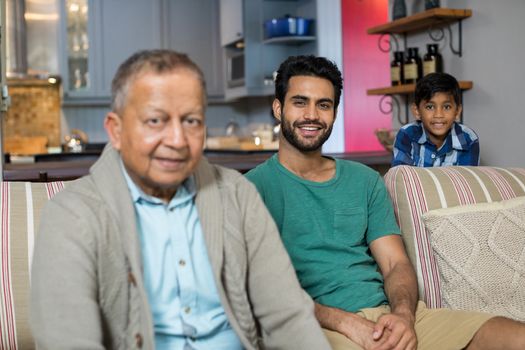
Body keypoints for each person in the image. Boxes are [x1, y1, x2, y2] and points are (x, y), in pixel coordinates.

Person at [30, 50, 331, 350]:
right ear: (116, 130)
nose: (176, 140)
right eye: (155, 120)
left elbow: (289, 317)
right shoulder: (71, 214)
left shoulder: (237, 194)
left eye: (191, 121)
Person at [246, 55, 525, 350]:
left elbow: (394, 264)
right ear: (278, 108)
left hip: (390, 318)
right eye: (300, 102)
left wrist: (403, 316)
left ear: (335, 113)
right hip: (314, 325)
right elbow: (261, 290)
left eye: (324, 104)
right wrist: (347, 323)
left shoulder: (365, 180)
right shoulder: (251, 190)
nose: (312, 115)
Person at [392, 72, 480, 167]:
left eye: (446, 107)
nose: (438, 115)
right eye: (430, 107)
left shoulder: (468, 139)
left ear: (457, 111)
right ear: (417, 111)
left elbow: (465, 180)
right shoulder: (406, 135)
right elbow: (402, 178)